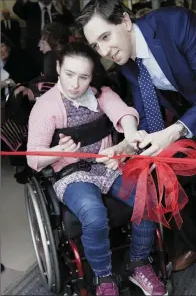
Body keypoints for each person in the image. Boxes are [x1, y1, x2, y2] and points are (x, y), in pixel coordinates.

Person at [77, 1, 196, 295]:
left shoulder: (176, 23)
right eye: (95, 45)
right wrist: (129, 143)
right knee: (159, 173)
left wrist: (173, 132)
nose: (104, 51)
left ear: (125, 21)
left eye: (105, 37)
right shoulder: (129, 68)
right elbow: (150, 118)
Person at [27, 42, 168, 296]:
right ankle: (104, 279)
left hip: (108, 164)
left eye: (83, 77)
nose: (74, 84)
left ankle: (138, 263)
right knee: (93, 215)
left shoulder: (100, 94)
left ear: (92, 76)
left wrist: (129, 140)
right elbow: (33, 159)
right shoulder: (45, 107)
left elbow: (125, 114)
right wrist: (58, 153)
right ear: (58, 68)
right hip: (72, 174)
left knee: (146, 198)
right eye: (69, 74)